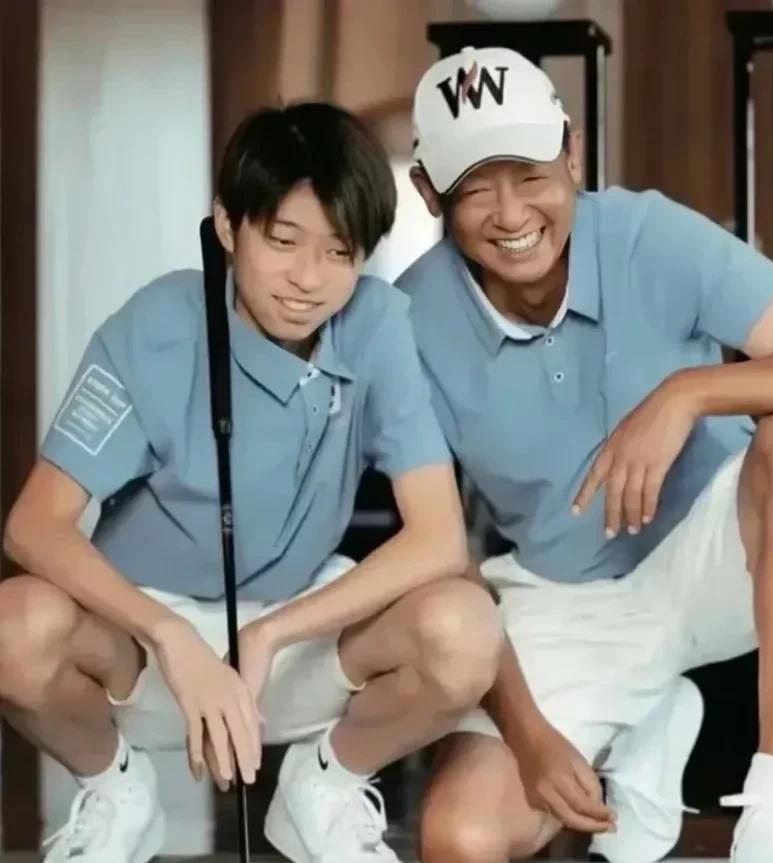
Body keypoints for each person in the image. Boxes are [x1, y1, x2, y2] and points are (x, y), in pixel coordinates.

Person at [396, 47, 773, 863]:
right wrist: (526, 733)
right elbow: (440, 552)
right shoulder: (409, 321)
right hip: (566, 599)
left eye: (529, 173)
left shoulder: (646, 234)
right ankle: (650, 722)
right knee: (461, 836)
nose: (510, 211)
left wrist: (687, 393)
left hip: (721, 554)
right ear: (429, 193)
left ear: (571, 152)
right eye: (474, 187)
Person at [0, 101, 503, 863]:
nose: (308, 279)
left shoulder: (376, 324)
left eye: (339, 251)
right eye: (283, 240)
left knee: (467, 629)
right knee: (12, 625)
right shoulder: (156, 324)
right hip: (140, 647)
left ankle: (324, 783)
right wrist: (170, 636)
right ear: (228, 226)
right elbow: (32, 524)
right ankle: (114, 787)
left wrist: (272, 632)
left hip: (295, 638)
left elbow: (439, 538)